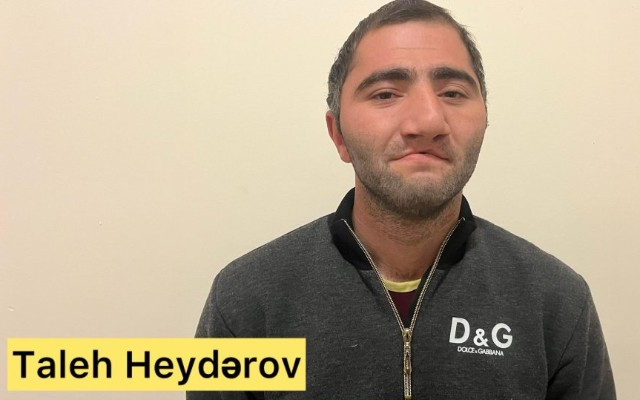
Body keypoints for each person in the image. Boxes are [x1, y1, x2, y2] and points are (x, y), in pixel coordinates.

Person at [189, 0, 616, 399]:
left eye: (452, 92)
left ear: (485, 120)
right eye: (385, 94)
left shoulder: (556, 304)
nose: (427, 121)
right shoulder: (246, 302)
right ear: (338, 135)